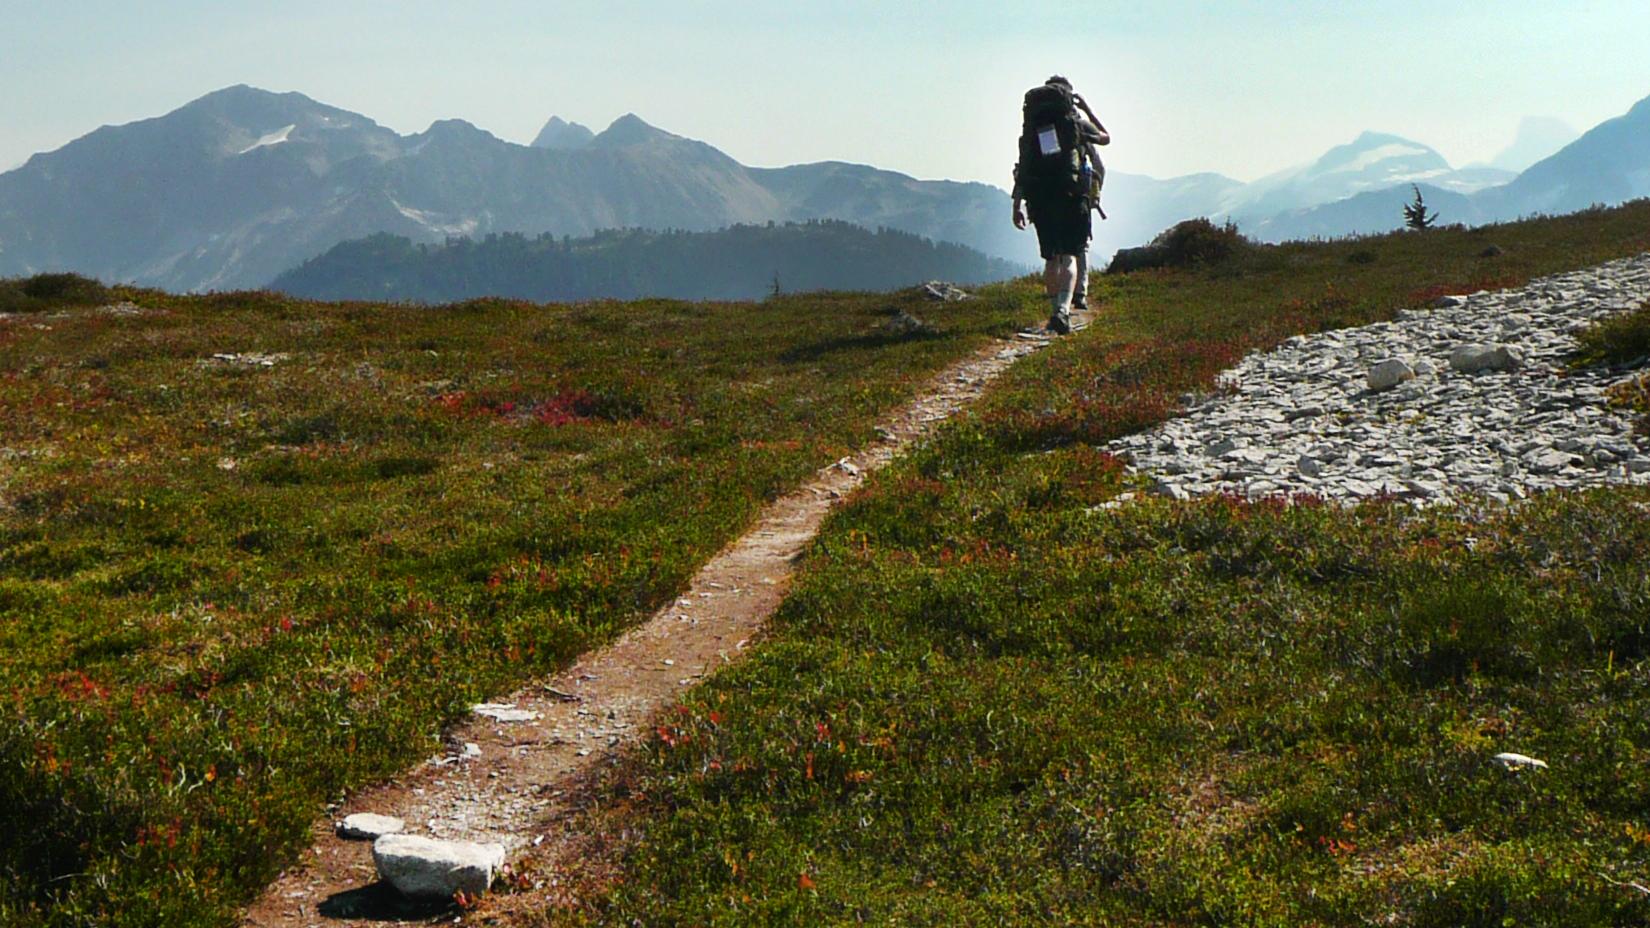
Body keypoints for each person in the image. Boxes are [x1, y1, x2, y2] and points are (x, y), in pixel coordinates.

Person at [1012, 75, 1109, 334]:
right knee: (1069, 255)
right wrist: (1087, 109)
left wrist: (1017, 204)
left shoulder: (1032, 128)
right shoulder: (1076, 123)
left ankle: (1054, 308)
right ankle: (1063, 311)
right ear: (1068, 97)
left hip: (1039, 197)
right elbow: (1106, 138)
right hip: (1070, 195)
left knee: (1050, 257)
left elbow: (1024, 166)